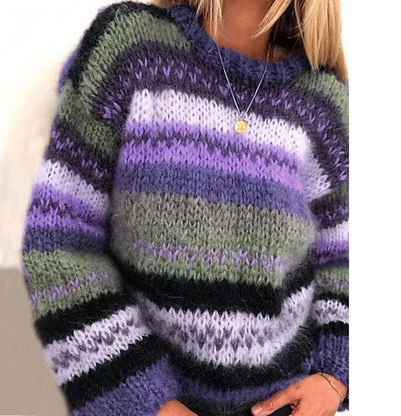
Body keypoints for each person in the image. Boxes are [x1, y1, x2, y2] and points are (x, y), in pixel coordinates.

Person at [19, 0, 349, 415]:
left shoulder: (323, 101)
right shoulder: (132, 50)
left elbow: (346, 258)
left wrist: (336, 376)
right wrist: (146, 401)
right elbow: (58, 245)